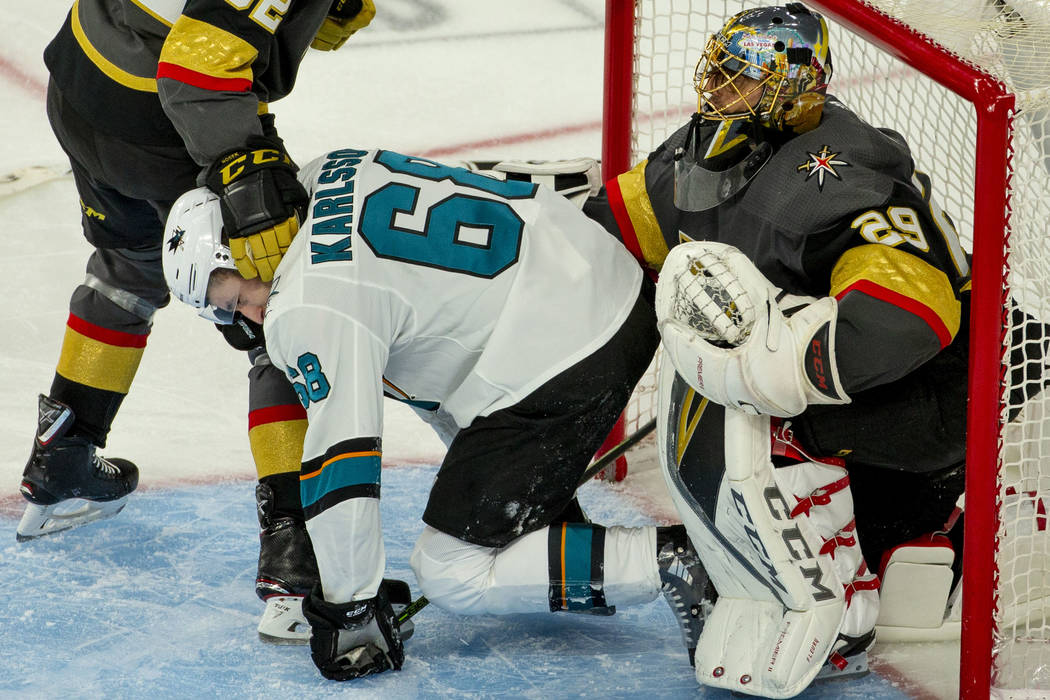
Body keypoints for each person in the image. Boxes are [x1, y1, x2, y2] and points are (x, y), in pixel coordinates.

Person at [161, 147, 714, 682]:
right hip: (599, 276)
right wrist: (519, 492)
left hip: (568, 349)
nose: (252, 318)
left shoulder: (306, 303)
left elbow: (342, 458)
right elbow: (442, 355)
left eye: (237, 298)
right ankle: (566, 548)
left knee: (451, 571)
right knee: (488, 521)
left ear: (247, 247)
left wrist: (350, 606)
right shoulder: (326, 171)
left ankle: (671, 560)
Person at [581, 5, 972, 697]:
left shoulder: (845, 179)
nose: (719, 95)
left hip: (959, 379)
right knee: (756, 423)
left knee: (781, 435)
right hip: (878, 381)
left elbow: (907, 321)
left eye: (743, 82)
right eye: (720, 77)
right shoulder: (702, 151)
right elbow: (612, 230)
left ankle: (938, 521)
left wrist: (771, 369)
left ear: (796, 89)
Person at [17, 0, 376, 644]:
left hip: (83, 76)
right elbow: (197, 71)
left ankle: (61, 462)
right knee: (277, 313)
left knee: (126, 266)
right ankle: (294, 565)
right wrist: (246, 177)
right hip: (166, 112)